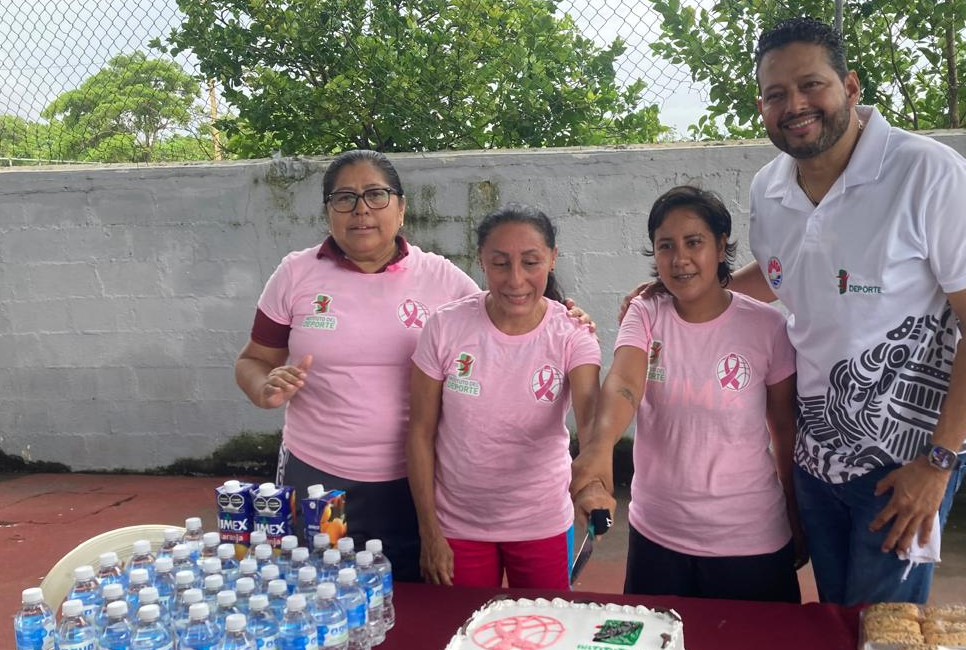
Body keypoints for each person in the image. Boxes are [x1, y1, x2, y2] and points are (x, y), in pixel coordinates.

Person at [728, 16, 966, 605]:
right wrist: (681, 296)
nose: (795, 105)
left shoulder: (928, 174)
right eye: (777, 94)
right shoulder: (768, 189)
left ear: (851, 87)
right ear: (762, 107)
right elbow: (781, 274)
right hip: (816, 453)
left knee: (883, 638)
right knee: (835, 621)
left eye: (812, 86)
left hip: (907, 463)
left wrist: (937, 465)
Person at [235, 150, 479, 582]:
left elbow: (510, 320)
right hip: (317, 478)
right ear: (328, 211)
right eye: (344, 198)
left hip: (413, 481)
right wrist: (264, 386)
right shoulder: (295, 274)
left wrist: (567, 318)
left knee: (413, 598)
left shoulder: (443, 280)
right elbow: (253, 361)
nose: (361, 209)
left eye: (376, 195)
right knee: (318, 591)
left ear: (401, 208)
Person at [573, 186, 803, 603]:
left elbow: (785, 429)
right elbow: (625, 381)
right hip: (658, 536)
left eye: (694, 242)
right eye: (666, 246)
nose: (680, 259)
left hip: (750, 541)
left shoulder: (767, 327)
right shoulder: (646, 312)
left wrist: (796, 512)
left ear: (720, 245)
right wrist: (600, 447)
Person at [407, 205, 601, 591]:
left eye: (531, 262)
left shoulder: (572, 334)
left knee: (544, 633)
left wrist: (595, 480)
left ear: (552, 258)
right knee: (460, 636)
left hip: (542, 521)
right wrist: (430, 530)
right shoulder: (445, 326)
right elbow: (419, 431)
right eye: (500, 263)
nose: (516, 280)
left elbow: (592, 421)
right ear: (481, 261)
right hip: (457, 525)